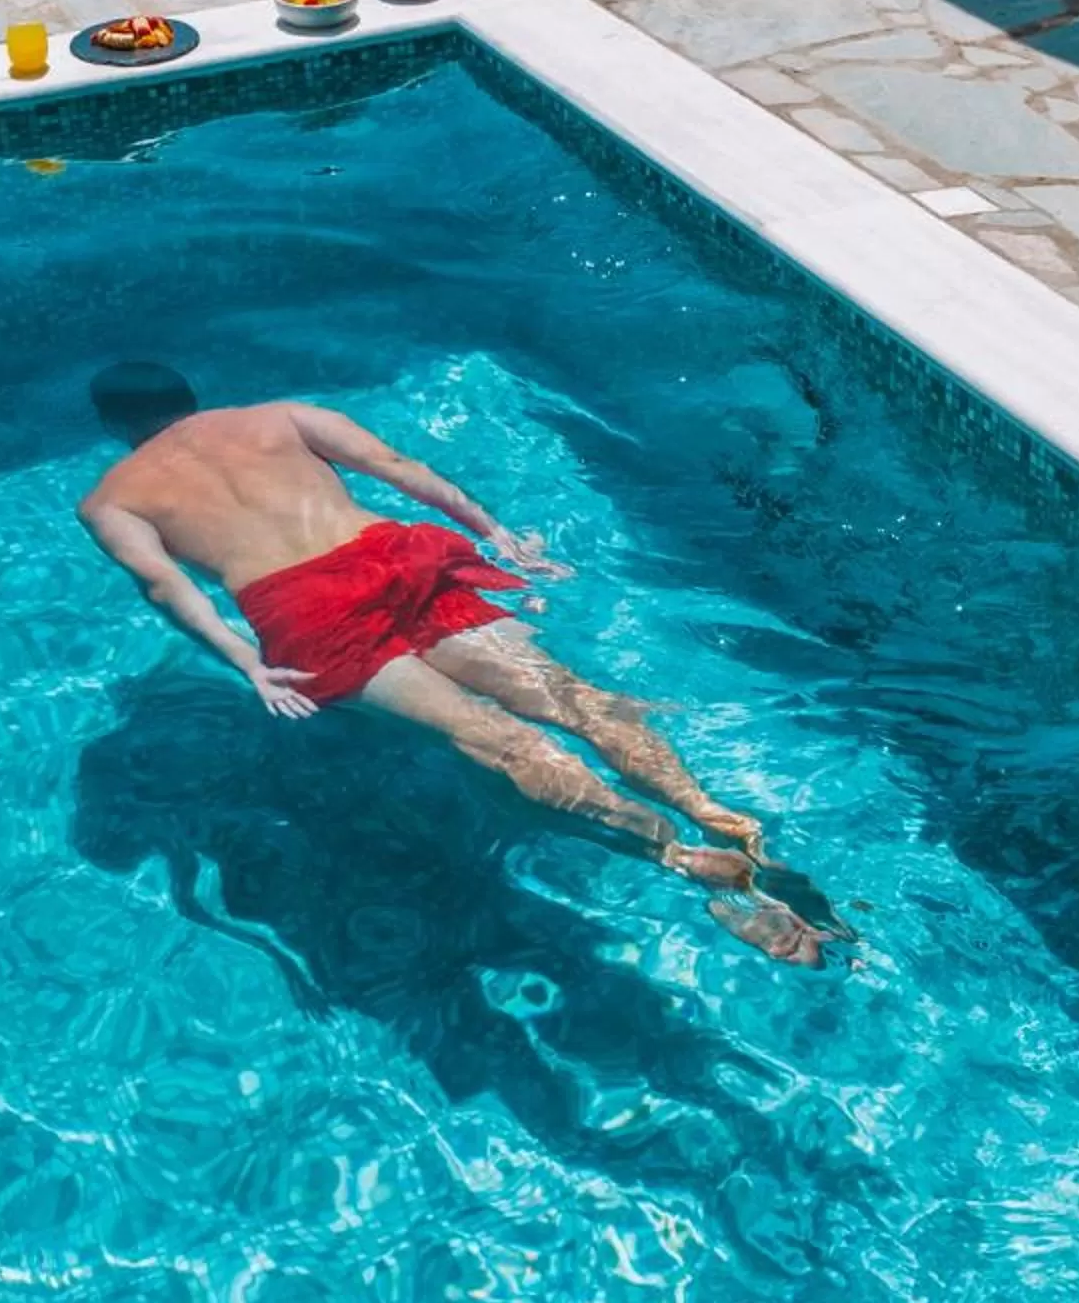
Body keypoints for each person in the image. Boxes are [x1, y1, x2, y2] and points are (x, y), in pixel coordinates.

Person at [78, 365, 828, 965]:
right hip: (397, 557)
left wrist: (249, 664)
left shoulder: (112, 498)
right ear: (192, 396)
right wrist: (494, 532)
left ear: (113, 426)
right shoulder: (277, 414)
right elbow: (395, 466)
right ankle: (719, 815)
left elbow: (163, 585)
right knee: (573, 700)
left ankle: (680, 857)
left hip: (305, 609)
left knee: (492, 740)